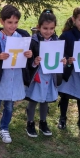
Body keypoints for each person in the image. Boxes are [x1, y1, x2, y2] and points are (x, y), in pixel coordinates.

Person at [0, 4, 33, 145]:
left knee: (9, 107)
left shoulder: (22, 36)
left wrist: (30, 54)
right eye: (9, 22)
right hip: (0, 78)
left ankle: (4, 128)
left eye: (16, 22)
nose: (13, 26)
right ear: (2, 21)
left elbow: (30, 55)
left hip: (15, 78)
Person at [25, 9, 66, 137]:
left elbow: (60, 56)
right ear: (39, 27)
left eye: (51, 28)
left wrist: (63, 60)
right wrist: (34, 61)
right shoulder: (33, 41)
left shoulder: (56, 40)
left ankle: (43, 122)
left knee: (45, 100)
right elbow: (27, 59)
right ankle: (30, 123)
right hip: (37, 76)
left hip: (50, 76)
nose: (48, 31)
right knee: (34, 99)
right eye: (45, 28)